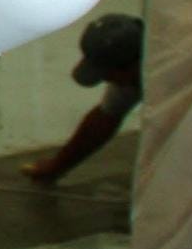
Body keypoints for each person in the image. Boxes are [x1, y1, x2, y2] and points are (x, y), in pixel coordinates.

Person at [21, 13, 144, 185]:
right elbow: (104, 119)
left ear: (135, 63)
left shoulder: (177, 73)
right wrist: (57, 166)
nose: (109, 81)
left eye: (110, 74)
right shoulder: (131, 75)